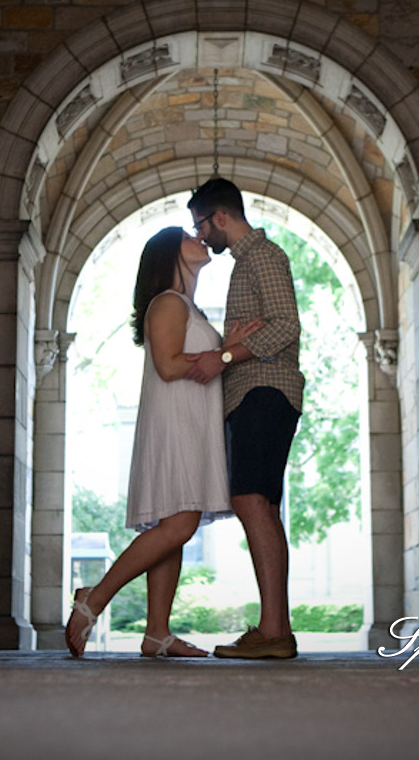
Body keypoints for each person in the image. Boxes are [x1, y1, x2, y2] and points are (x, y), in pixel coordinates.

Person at [65, 226, 263, 658]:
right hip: (176, 423)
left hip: (190, 422)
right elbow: (170, 366)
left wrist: (226, 347)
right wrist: (227, 352)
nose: (200, 238)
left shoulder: (185, 306)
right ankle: (93, 598)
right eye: (189, 236)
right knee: (180, 524)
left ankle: (157, 633)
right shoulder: (168, 303)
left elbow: (191, 361)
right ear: (171, 253)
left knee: (172, 527)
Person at [184, 178, 304, 660]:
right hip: (254, 394)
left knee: (251, 500)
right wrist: (228, 348)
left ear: (220, 217)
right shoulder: (247, 263)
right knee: (259, 505)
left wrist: (226, 356)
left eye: (201, 225)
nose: (200, 236)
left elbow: (285, 325)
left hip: (265, 390)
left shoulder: (263, 256)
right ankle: (275, 628)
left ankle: (274, 631)